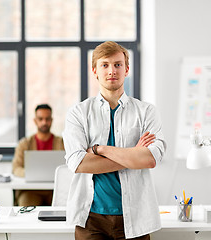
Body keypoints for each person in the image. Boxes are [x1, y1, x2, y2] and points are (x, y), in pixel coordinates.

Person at [63, 41, 166, 240]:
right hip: (90, 219)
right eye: (105, 65)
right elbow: (78, 163)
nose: (112, 70)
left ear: (127, 69)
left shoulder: (146, 112)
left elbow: (150, 159)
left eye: (118, 64)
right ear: (95, 71)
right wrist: (132, 155)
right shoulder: (78, 113)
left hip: (136, 217)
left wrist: (99, 149)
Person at [12, 104, 64, 206]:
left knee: (65, 208)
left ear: (51, 120)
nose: (44, 122)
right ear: (35, 120)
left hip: (55, 190)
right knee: (25, 209)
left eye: (47, 119)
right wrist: (31, 174)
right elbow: (16, 168)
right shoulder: (24, 144)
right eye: (40, 119)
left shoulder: (62, 143)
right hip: (31, 190)